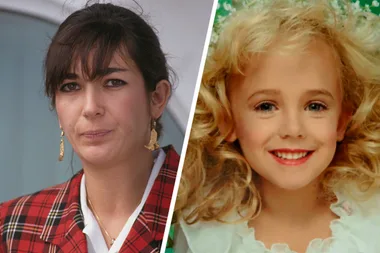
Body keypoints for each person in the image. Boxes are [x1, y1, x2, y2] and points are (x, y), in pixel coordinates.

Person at [173, 0, 380, 252]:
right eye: (266, 106)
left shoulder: (372, 223)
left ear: (342, 120)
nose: (293, 129)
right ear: (228, 119)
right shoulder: (204, 237)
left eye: (315, 106)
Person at [0, 2, 180, 253]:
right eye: (70, 86)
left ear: (157, 98)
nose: (90, 107)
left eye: (113, 82)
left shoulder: (203, 208)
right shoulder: (14, 227)